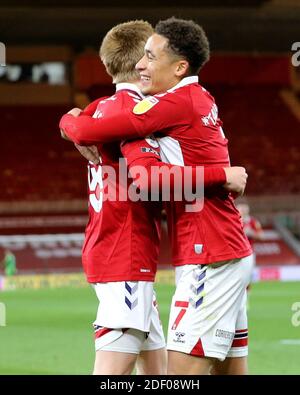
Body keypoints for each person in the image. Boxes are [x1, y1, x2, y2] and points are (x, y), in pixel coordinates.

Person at [60, 18, 253, 375]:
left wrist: (71, 123)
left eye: (151, 57)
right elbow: (144, 174)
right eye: (143, 56)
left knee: (172, 374)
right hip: (176, 250)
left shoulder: (130, 107)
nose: (143, 65)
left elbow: (135, 166)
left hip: (202, 253)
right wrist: (223, 174)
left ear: (178, 67)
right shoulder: (180, 101)